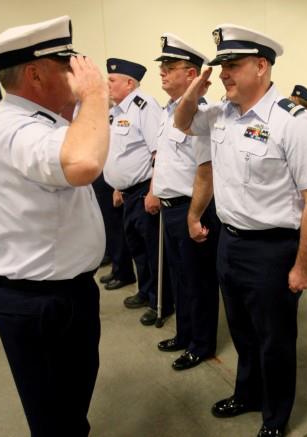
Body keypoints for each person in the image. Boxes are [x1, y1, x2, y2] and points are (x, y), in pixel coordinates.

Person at [174, 23, 307, 437]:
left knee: (274, 340)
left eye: (233, 64)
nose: (224, 72)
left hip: (274, 250)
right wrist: (198, 85)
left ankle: (275, 417)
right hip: (230, 242)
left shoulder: (294, 123)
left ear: (261, 66)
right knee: (243, 332)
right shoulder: (221, 114)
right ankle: (247, 394)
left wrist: (303, 266)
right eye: (221, 64)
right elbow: (181, 120)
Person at [0, 16, 109, 436]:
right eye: (64, 64)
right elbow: (84, 163)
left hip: (58, 292)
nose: (74, 72)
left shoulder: (40, 121)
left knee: (67, 408)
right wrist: (96, 93)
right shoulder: (19, 130)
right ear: (34, 74)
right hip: (42, 302)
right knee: (56, 420)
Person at [151, 33, 220, 371]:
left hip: (192, 209)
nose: (162, 73)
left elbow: (205, 171)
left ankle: (201, 344)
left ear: (192, 74)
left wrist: (194, 215)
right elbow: (163, 160)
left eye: (170, 67)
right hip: (170, 209)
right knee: (180, 278)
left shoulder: (201, 114)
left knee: (199, 281)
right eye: (162, 68)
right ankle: (184, 333)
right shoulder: (168, 112)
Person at [102, 57, 174, 326]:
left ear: (129, 83)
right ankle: (145, 292)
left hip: (145, 190)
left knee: (154, 251)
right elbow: (119, 152)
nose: (107, 84)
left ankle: (161, 302)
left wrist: (154, 191)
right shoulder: (116, 111)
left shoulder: (144, 106)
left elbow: (159, 153)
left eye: (112, 80)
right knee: (137, 249)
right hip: (127, 192)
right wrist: (118, 186)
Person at [92, 172, 136, 289]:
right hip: (102, 180)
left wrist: (117, 189)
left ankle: (123, 273)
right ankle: (116, 269)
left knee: (116, 230)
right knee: (110, 230)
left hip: (109, 184)